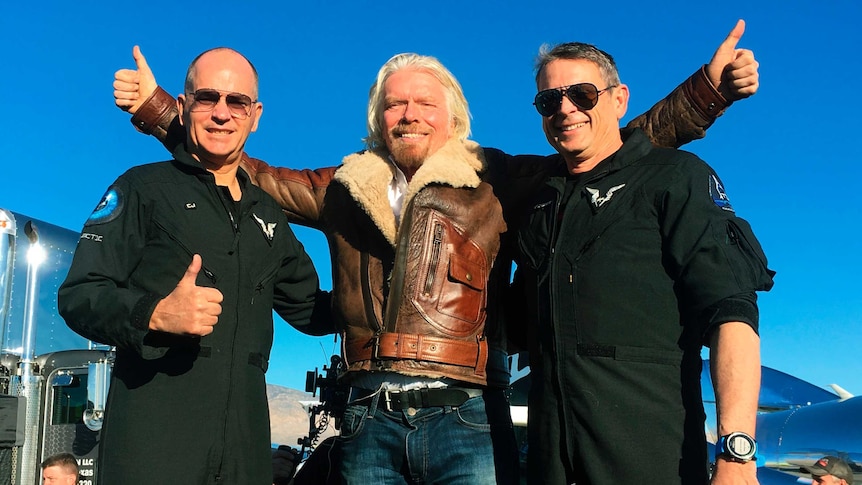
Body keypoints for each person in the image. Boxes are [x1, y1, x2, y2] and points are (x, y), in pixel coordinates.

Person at [112, 22, 758, 485]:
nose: (409, 112)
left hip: (468, 413)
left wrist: (707, 93)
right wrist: (159, 109)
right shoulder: (340, 186)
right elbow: (241, 165)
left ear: (453, 115)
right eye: (395, 102)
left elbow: (610, 145)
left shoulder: (494, 176)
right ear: (377, 117)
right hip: (367, 414)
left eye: (425, 102)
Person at [59, 48, 332, 485]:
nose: (221, 113)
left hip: (245, 448)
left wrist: (379, 278)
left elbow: (313, 312)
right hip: (156, 439)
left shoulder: (269, 218)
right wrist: (155, 313)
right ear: (184, 108)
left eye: (236, 101)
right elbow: (78, 295)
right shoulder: (142, 188)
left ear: (255, 114)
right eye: (207, 98)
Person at [512, 40, 775, 485]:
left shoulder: (674, 177)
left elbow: (732, 313)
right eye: (548, 99)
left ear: (619, 99)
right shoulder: (536, 197)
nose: (565, 109)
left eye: (582, 94)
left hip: (654, 458)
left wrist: (736, 452)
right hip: (550, 461)